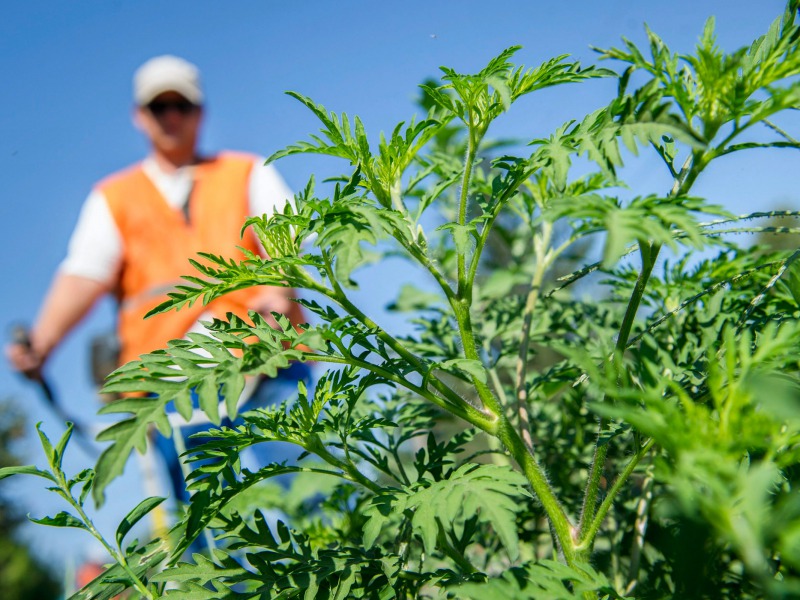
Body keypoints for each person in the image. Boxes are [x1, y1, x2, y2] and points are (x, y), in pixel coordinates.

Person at [5, 55, 309, 503]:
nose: (170, 117)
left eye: (180, 106)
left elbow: (287, 235)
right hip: (172, 383)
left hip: (265, 361)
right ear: (139, 116)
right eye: (157, 108)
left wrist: (279, 288)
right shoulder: (115, 198)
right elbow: (82, 274)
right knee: (213, 527)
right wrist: (42, 344)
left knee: (309, 494)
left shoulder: (245, 171)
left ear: (199, 113)